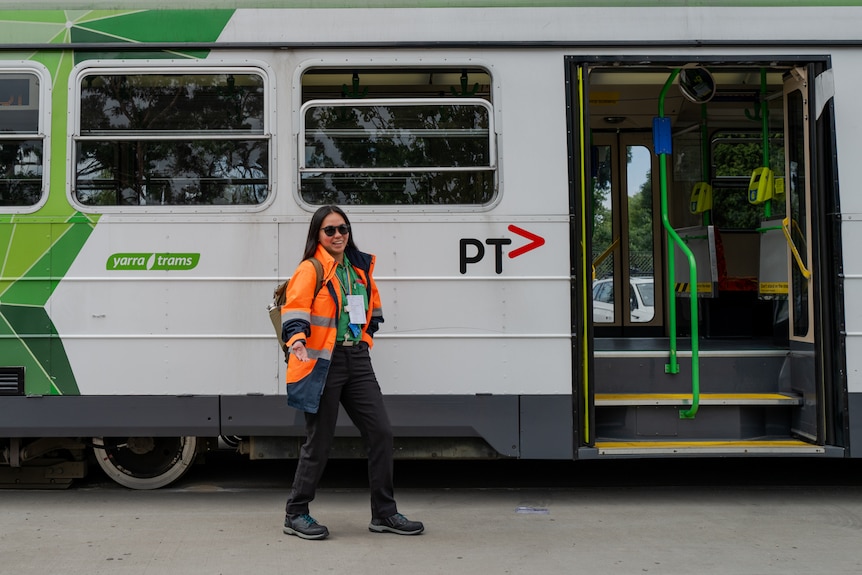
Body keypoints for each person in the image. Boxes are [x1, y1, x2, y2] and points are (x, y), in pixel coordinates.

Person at [280, 205, 424, 540]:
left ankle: (384, 514)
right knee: (320, 442)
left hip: (357, 360)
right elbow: (295, 308)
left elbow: (373, 310)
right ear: (318, 234)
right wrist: (298, 340)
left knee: (381, 433)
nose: (338, 235)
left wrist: (365, 340)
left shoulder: (358, 269)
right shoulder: (311, 268)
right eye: (329, 230)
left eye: (343, 229)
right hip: (323, 363)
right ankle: (296, 513)